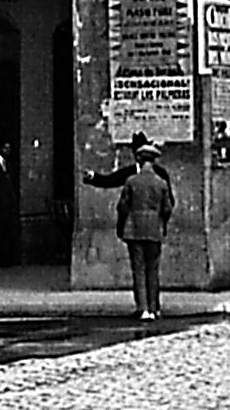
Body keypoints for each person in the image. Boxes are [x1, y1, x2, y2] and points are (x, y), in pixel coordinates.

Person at [116, 141, 173, 320]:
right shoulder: (161, 183)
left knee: (138, 269)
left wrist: (123, 224)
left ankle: (143, 308)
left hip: (134, 229)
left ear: (139, 160)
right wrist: (161, 222)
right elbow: (167, 208)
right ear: (154, 161)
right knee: (153, 269)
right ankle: (155, 307)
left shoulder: (131, 181)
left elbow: (122, 206)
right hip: (154, 229)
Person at [83, 131, 173, 190]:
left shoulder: (131, 175)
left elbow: (111, 181)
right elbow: (110, 180)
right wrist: (93, 176)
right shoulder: (160, 173)